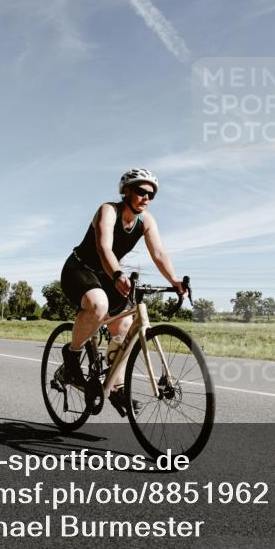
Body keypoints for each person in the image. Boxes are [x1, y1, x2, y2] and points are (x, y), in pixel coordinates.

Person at [57, 168, 185, 416]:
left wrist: (175, 280)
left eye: (151, 194)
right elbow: (104, 247)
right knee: (98, 305)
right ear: (126, 192)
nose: (146, 198)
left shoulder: (146, 221)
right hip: (79, 269)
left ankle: (115, 387)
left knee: (125, 326)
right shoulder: (108, 210)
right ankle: (71, 356)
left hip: (107, 274)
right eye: (141, 191)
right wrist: (117, 274)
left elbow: (159, 254)